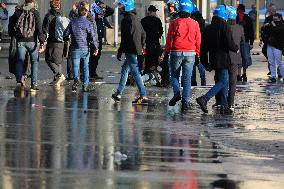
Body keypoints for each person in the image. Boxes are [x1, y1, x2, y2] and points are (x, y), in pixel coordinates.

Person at [196, 5, 239, 114]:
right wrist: (236, 48)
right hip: (223, 59)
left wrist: (205, 63)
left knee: (222, 80)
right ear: (224, 15)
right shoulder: (225, 26)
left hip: (213, 58)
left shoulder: (208, 27)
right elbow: (229, 42)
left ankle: (224, 104)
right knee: (224, 81)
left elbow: (203, 47)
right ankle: (204, 98)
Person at [165, 0, 201, 111]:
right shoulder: (195, 23)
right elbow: (198, 40)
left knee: (174, 75)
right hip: (190, 53)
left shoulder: (174, 23)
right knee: (187, 79)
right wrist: (198, 54)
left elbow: (170, 39)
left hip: (176, 52)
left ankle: (176, 93)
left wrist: (167, 52)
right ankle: (185, 102)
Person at [112, 0, 148, 105]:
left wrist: (120, 51)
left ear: (126, 8)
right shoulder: (137, 19)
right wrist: (140, 46)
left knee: (135, 72)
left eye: (121, 7)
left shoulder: (126, 20)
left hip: (130, 50)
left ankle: (143, 95)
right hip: (135, 49)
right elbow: (143, 34)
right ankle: (118, 93)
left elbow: (125, 38)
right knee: (124, 70)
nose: (120, 9)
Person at [9, 0, 45, 91]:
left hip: (20, 41)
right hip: (32, 42)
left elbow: (11, 25)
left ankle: (19, 79)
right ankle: (33, 85)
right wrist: (42, 42)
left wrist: (14, 34)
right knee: (34, 62)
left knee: (20, 60)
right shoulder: (35, 12)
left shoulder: (18, 11)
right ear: (32, 2)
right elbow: (39, 28)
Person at [63, 1, 99, 92]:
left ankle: (76, 81)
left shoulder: (73, 22)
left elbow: (65, 34)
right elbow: (93, 37)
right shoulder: (88, 23)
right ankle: (85, 85)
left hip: (75, 47)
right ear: (86, 12)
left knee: (75, 66)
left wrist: (67, 38)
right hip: (85, 48)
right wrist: (96, 47)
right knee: (85, 67)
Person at [43, 0, 69, 86]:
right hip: (62, 41)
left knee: (48, 59)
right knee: (58, 61)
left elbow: (45, 30)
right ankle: (57, 80)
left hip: (53, 41)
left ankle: (59, 75)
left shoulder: (49, 16)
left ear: (51, 5)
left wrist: (43, 42)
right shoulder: (63, 14)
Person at [89, 1, 114, 80]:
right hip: (93, 38)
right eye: (100, 7)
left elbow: (111, 11)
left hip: (99, 38)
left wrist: (105, 6)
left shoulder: (102, 13)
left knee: (97, 56)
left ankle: (93, 72)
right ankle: (88, 73)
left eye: (102, 7)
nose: (102, 9)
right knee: (92, 56)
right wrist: (97, 16)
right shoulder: (92, 14)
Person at [227, 6, 245, 109]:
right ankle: (231, 103)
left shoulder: (224, 27)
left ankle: (221, 101)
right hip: (235, 58)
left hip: (225, 58)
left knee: (222, 79)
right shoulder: (240, 28)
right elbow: (243, 42)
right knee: (233, 82)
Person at [141, 5, 163, 73]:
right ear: (150, 12)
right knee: (154, 58)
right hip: (153, 43)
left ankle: (148, 73)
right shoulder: (157, 20)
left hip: (148, 42)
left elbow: (141, 31)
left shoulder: (143, 20)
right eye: (154, 11)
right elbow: (161, 30)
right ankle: (152, 73)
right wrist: (158, 36)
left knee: (148, 58)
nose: (155, 13)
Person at [262, 13, 284, 83]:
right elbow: (266, 33)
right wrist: (265, 27)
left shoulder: (282, 25)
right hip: (270, 45)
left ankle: (283, 75)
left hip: (277, 46)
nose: (274, 21)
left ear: (280, 18)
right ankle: (273, 76)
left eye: (276, 19)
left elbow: (279, 33)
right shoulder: (271, 24)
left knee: (279, 62)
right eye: (273, 19)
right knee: (271, 61)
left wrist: (274, 26)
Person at [236, 4, 254, 83]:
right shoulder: (248, 18)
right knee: (245, 58)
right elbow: (251, 31)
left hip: (237, 42)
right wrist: (251, 42)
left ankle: (239, 74)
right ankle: (244, 73)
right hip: (245, 42)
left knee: (238, 58)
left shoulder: (235, 18)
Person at [190, 5, 206, 86]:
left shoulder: (194, 21)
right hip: (201, 45)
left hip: (194, 45)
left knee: (193, 64)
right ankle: (203, 82)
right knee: (200, 63)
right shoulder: (202, 20)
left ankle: (193, 82)